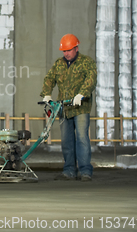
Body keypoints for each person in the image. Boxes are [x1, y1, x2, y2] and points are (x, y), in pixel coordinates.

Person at [40, 34, 97, 181]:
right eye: (64, 51)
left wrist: (81, 94)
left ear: (76, 48)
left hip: (81, 108)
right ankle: (69, 170)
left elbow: (91, 79)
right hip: (64, 108)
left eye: (69, 50)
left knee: (82, 138)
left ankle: (85, 171)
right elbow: (49, 78)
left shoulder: (86, 62)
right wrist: (46, 94)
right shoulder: (59, 64)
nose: (66, 53)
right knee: (66, 140)